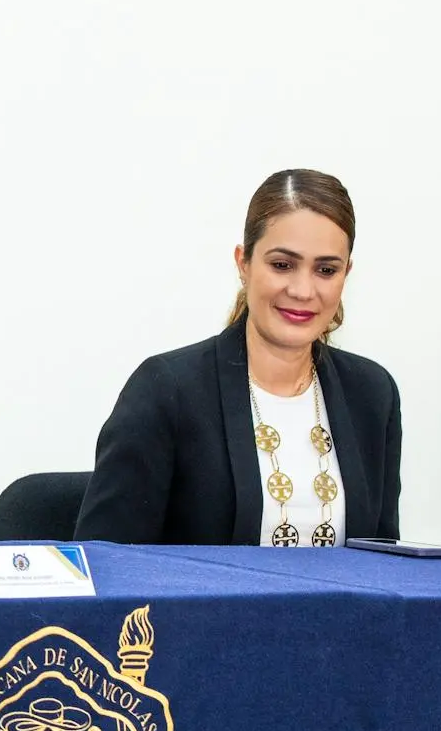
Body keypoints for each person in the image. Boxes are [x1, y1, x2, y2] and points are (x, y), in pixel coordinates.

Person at [75, 168, 401, 546]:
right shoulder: (167, 389)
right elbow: (105, 563)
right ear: (243, 263)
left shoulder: (372, 394)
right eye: (282, 265)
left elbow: (383, 568)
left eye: (326, 270)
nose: (302, 289)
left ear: (347, 273)